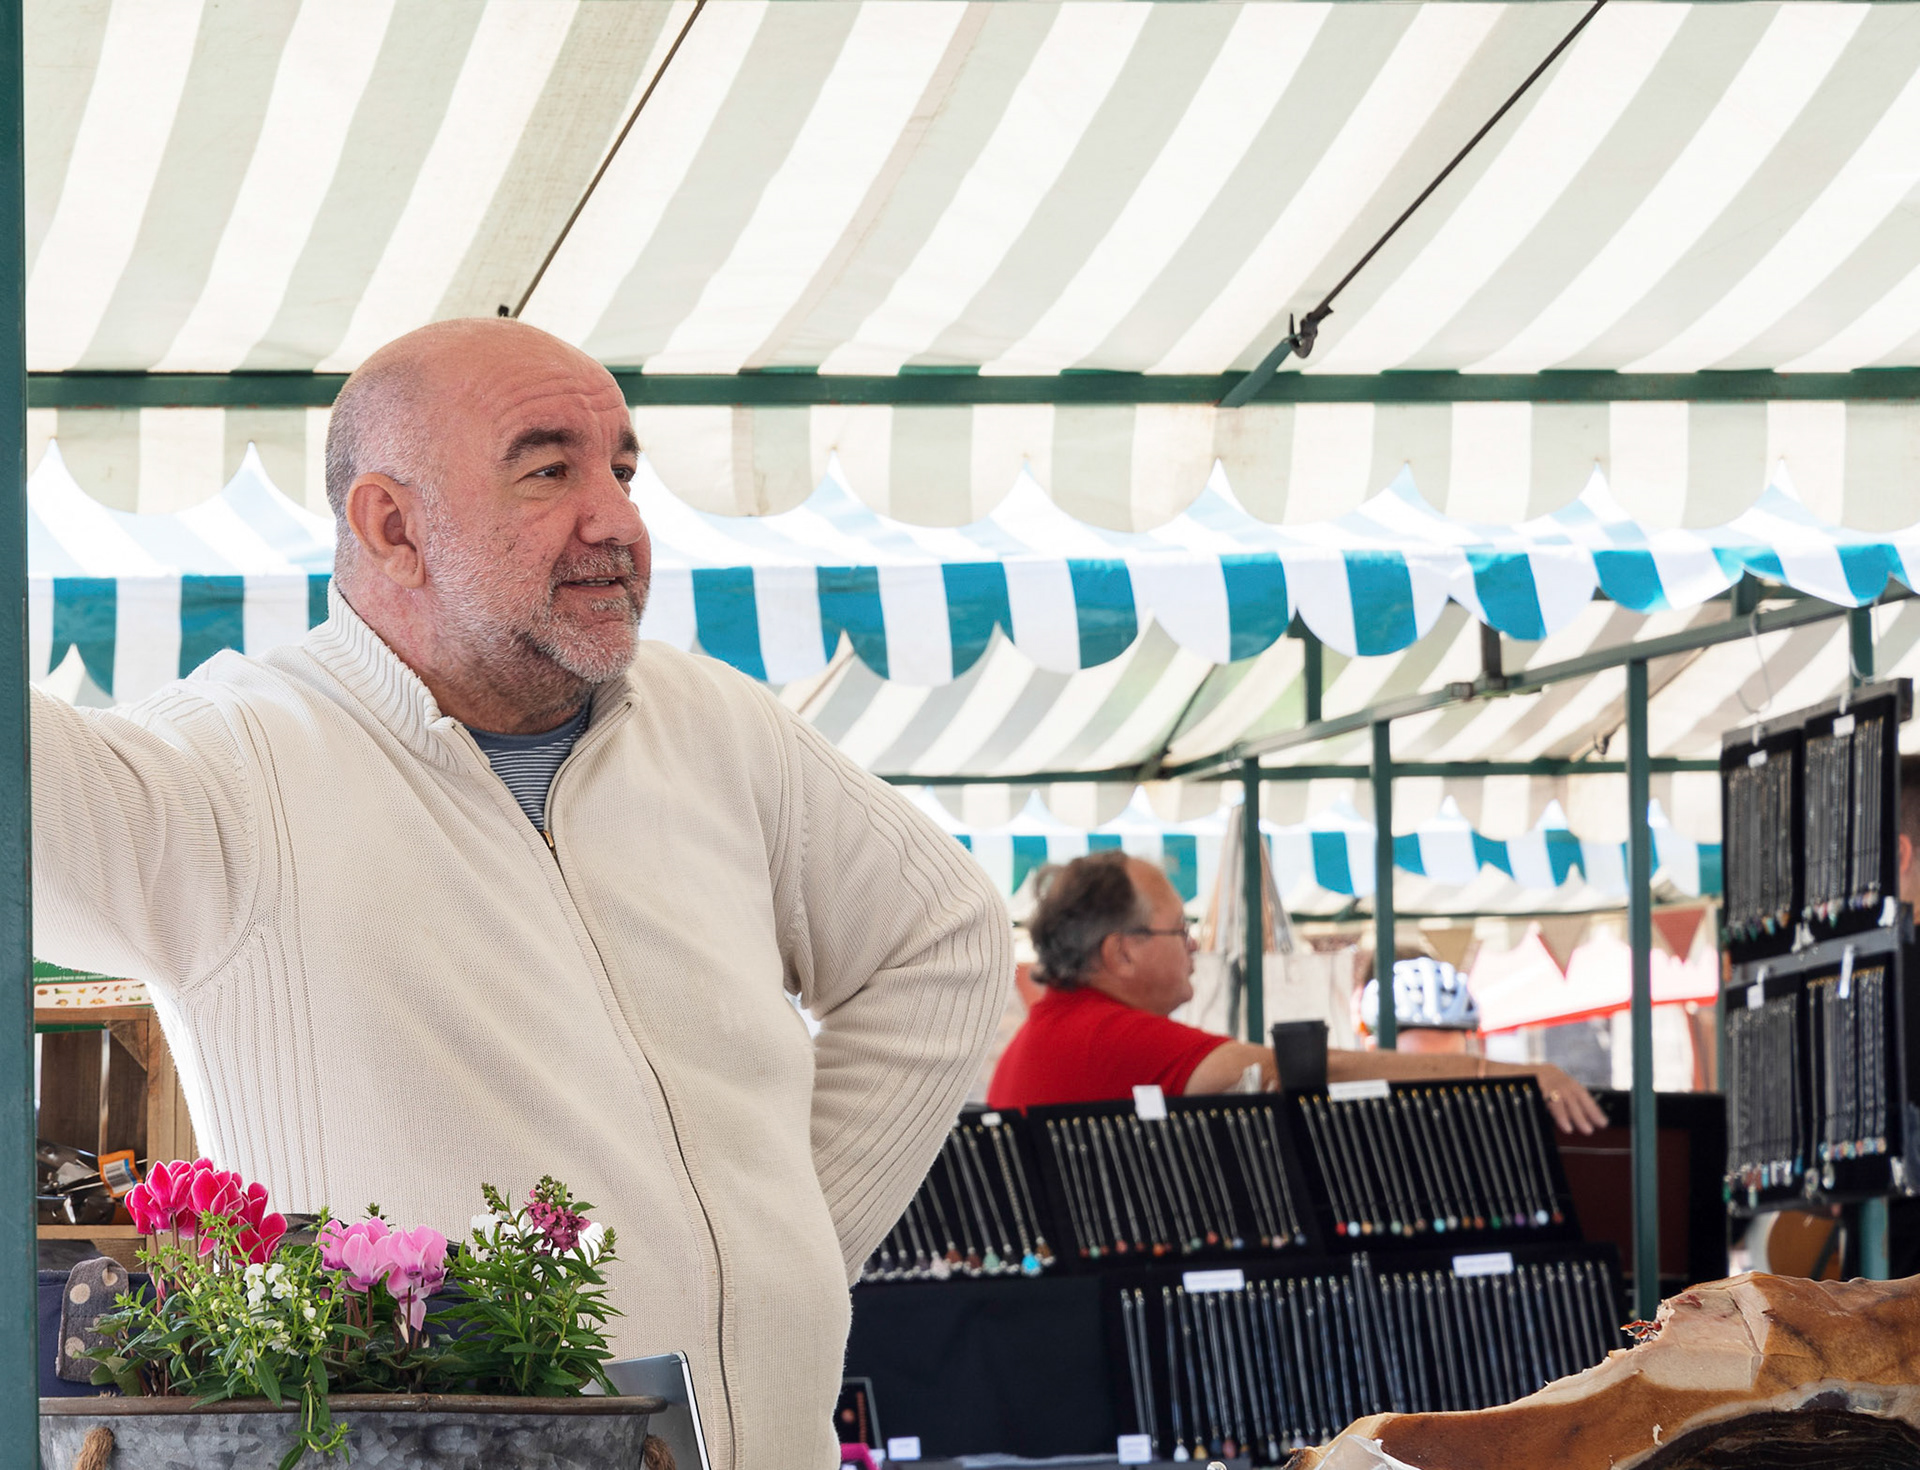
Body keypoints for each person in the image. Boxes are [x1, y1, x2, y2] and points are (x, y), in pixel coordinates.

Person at [29, 318, 1012, 1470]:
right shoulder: (227, 766)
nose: (619, 521)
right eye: (549, 470)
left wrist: (776, 1255)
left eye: (623, 470)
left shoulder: (712, 724)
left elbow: (943, 940)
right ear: (391, 527)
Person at [987, 852, 1606, 1135]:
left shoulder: (1057, 1028)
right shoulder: (1107, 1035)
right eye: (1179, 930)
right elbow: (1295, 1069)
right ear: (1121, 952)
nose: (1195, 946)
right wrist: (1499, 1074)